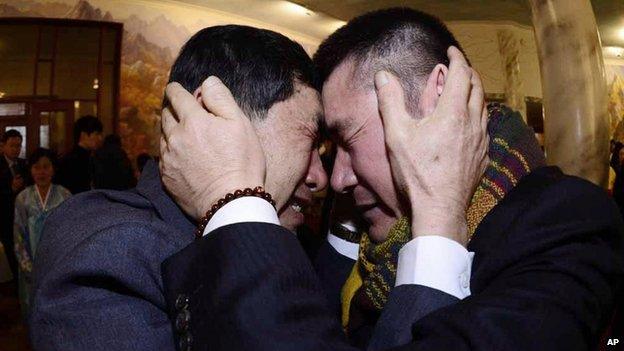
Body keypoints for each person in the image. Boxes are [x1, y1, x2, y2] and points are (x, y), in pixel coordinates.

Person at [158, 8, 624, 351]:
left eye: (349, 138)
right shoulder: (354, 238)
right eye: (326, 148)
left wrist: (437, 212)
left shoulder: (567, 223)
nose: (336, 178)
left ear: (440, 99)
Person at [29, 25, 329, 350]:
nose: (321, 177)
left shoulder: (281, 237)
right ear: (211, 117)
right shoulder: (111, 250)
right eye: (310, 140)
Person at [13, 148, 71, 320]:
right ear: (30, 170)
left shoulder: (64, 195)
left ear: (53, 169)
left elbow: (69, 233)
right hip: (31, 264)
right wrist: (28, 268)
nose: (41, 172)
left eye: (46, 167)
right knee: (33, 310)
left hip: (57, 263)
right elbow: (18, 236)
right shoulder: (23, 198)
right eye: (37, 167)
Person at [0, 129, 28, 280]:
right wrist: (10, 189)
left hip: (23, 217)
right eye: (12, 146)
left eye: (18, 146)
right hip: (5, 218)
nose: (16, 149)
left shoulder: (25, 164)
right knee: (11, 255)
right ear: (3, 146)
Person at [56, 115, 103, 194]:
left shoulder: (90, 156)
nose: (100, 138)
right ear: (84, 135)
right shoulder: (74, 160)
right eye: (96, 134)